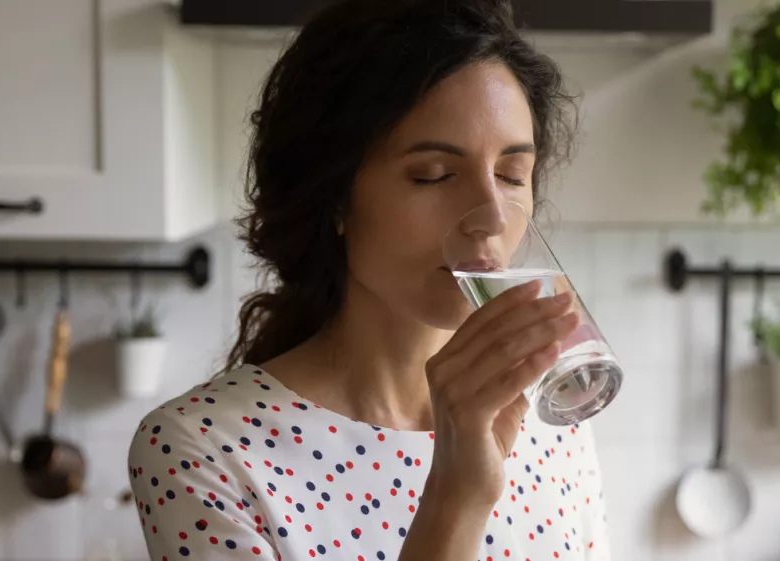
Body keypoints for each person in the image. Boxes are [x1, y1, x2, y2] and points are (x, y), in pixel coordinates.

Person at [127, 0, 610, 559]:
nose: (493, 216)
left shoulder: (554, 418)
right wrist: (456, 498)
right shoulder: (201, 449)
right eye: (434, 175)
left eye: (511, 175)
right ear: (334, 197)